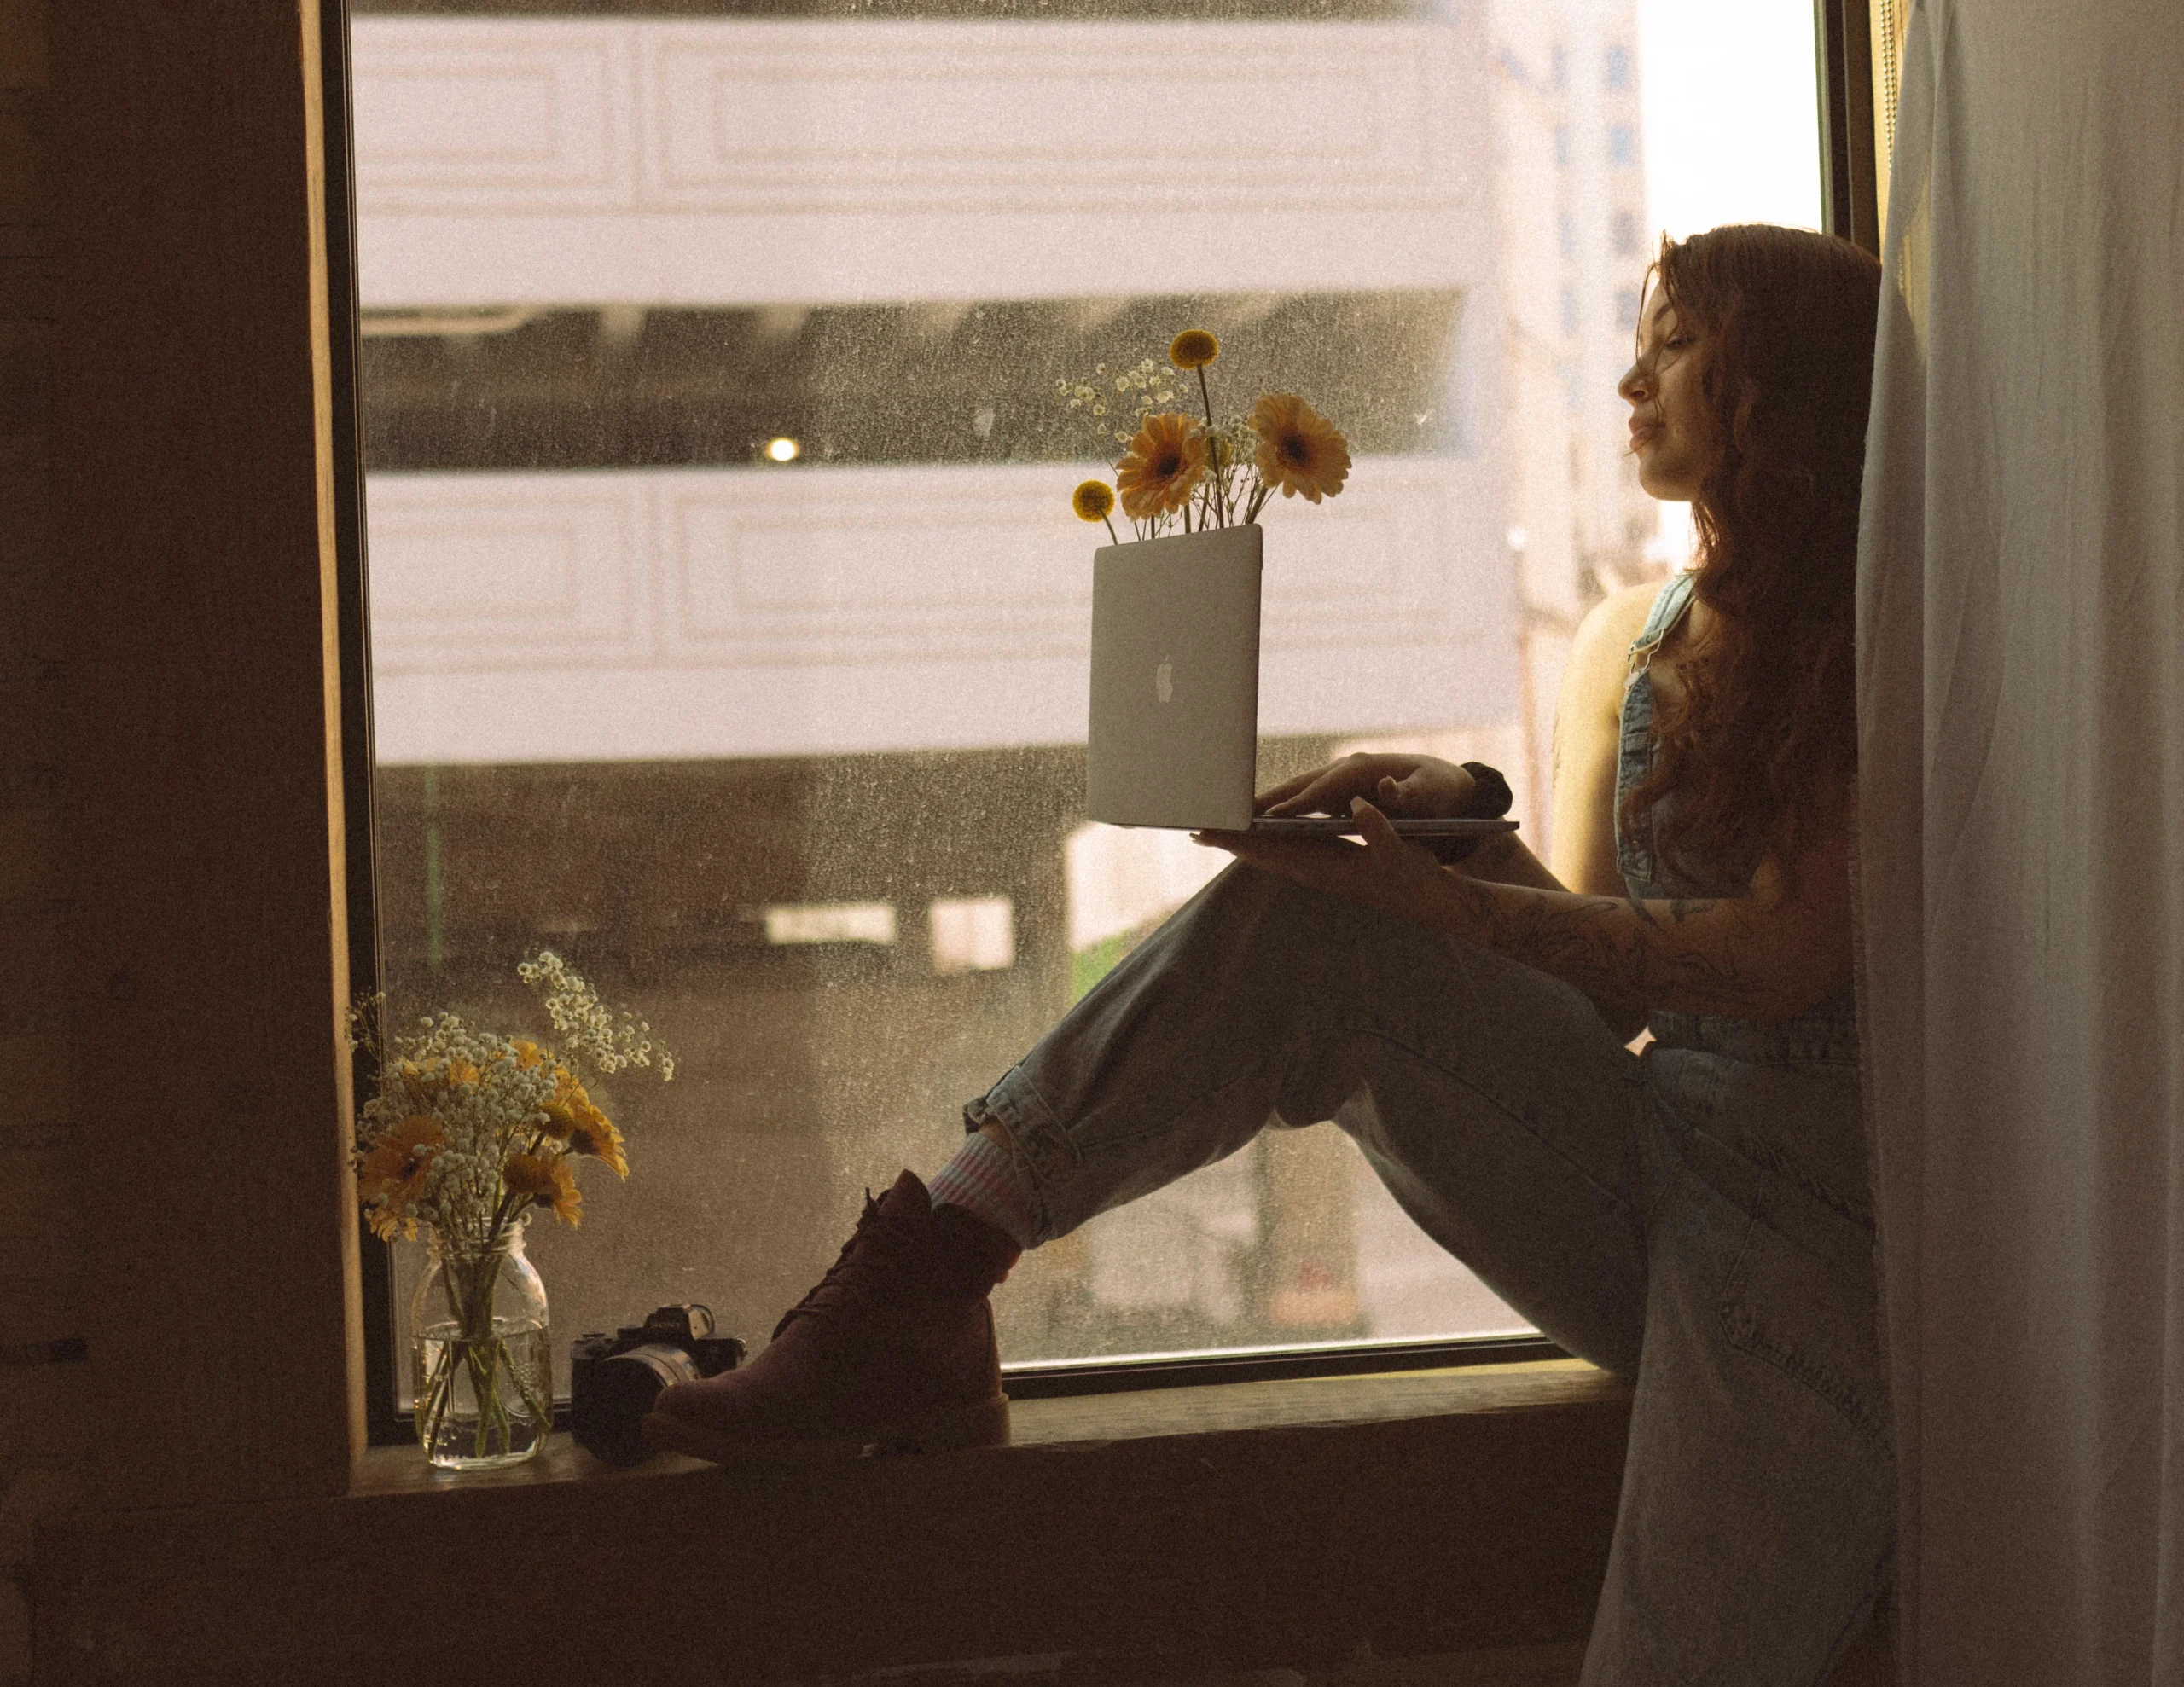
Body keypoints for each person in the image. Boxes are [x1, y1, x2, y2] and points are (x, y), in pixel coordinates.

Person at [645, 223, 1892, 1685]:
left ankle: (918, 1294)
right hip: (1654, 1158)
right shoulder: (1642, 632)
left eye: (1677, 344)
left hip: (1812, 1225)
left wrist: (1463, 913)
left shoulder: (1867, 629)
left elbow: (1784, 956)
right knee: (1318, 921)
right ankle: (937, 1258)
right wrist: (1448, 824)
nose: (1631, 381)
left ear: (1782, 393)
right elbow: (1616, 989)